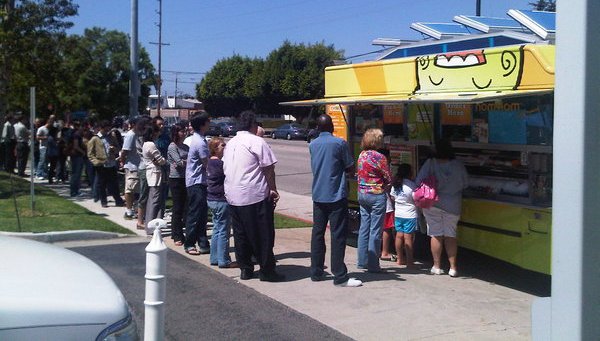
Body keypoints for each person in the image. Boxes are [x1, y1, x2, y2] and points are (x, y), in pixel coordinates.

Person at [223, 110, 284, 282]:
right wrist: (273, 189)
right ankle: (267, 270)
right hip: (253, 193)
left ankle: (246, 268)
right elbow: (268, 168)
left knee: (241, 234)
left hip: (233, 194)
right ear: (253, 125)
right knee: (263, 234)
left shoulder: (231, 143)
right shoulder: (256, 141)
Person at [309, 114, 362, 287]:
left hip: (318, 195)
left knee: (317, 234)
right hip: (336, 195)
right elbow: (349, 167)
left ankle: (316, 271)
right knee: (338, 235)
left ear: (317, 128)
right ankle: (339, 275)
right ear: (332, 127)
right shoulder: (340, 143)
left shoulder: (313, 144)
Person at [415, 138, 468, 277]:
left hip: (433, 204)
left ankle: (437, 266)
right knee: (451, 235)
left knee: (436, 234)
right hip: (453, 204)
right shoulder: (458, 165)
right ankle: (453, 268)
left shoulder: (430, 163)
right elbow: (465, 183)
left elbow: (418, 181)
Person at [356, 128, 392, 273]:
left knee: (364, 228)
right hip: (376, 195)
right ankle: (373, 264)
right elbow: (388, 177)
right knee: (375, 230)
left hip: (362, 193)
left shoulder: (362, 155)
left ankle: (362, 261)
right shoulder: (380, 157)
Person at [183, 112, 211, 255]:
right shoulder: (200, 142)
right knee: (195, 214)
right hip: (196, 182)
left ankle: (203, 243)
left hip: (199, 181)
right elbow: (207, 164)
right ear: (202, 124)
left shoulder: (200, 139)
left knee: (202, 214)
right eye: (207, 120)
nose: (209, 122)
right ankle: (189, 243)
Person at [207, 137, 237, 268]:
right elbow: (230, 177)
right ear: (215, 149)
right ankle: (224, 260)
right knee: (224, 231)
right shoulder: (219, 164)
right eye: (222, 145)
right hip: (220, 200)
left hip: (211, 199)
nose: (225, 147)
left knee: (217, 229)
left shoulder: (209, 163)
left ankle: (215, 258)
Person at [88, 120, 125, 208]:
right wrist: (96, 162)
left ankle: (118, 200)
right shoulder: (95, 139)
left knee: (114, 183)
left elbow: (118, 148)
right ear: (101, 128)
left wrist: (114, 149)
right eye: (106, 129)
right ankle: (103, 201)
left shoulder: (111, 137)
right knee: (102, 184)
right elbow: (90, 154)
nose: (107, 130)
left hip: (111, 163)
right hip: (101, 164)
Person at [390, 163, 418, 268]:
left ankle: (400, 259)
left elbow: (392, 197)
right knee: (408, 238)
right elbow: (416, 198)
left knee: (399, 236)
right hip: (409, 214)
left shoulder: (396, 183)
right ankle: (410, 262)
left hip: (398, 213)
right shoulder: (412, 185)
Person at [167, 121, 189, 246]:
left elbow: (191, 160)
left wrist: (185, 162)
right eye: (182, 131)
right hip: (176, 179)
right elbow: (179, 163)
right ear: (176, 133)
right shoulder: (172, 146)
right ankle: (177, 235)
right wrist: (185, 162)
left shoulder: (185, 147)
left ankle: (179, 231)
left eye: (185, 131)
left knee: (186, 206)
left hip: (185, 178)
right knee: (177, 208)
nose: (184, 133)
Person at [142, 124, 166, 234]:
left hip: (152, 172)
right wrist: (163, 160)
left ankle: (155, 224)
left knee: (155, 200)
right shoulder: (151, 144)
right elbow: (160, 160)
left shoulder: (145, 144)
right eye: (156, 132)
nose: (158, 134)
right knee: (155, 200)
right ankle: (150, 226)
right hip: (155, 173)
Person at [119, 117, 140, 220]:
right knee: (129, 190)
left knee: (137, 191)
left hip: (139, 166)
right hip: (132, 166)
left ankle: (136, 210)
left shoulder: (139, 135)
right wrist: (122, 161)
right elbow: (124, 151)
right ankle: (128, 211)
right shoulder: (131, 135)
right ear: (133, 124)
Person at [378, 148, 395, 261]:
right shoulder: (385, 169)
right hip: (385, 200)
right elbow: (388, 184)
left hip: (373, 199)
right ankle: (384, 251)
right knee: (387, 228)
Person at [69, 121, 86, 197]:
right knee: (76, 174)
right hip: (77, 156)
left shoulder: (77, 135)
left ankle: (75, 190)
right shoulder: (76, 135)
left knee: (77, 174)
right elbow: (76, 146)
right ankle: (74, 191)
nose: (84, 129)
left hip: (77, 156)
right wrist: (83, 152)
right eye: (83, 127)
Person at [36, 115, 55, 179]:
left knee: (47, 161)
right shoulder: (41, 129)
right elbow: (37, 137)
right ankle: (39, 174)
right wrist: (45, 137)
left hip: (49, 147)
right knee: (42, 160)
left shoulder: (51, 129)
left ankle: (45, 173)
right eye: (51, 123)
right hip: (43, 147)